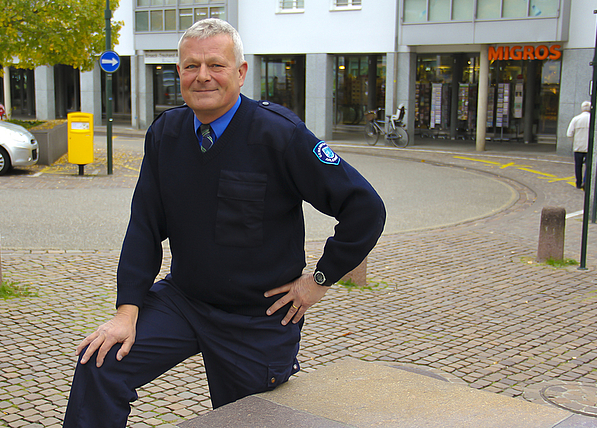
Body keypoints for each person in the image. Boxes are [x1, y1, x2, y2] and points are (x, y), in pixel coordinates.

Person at [62, 18, 385, 428]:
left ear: (240, 72)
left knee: (246, 420)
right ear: (178, 72)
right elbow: (144, 225)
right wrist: (126, 312)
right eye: (191, 66)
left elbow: (366, 208)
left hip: (257, 317)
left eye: (215, 65)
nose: (202, 77)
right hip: (185, 300)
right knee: (100, 362)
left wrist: (318, 280)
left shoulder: (278, 134)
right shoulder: (167, 133)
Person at [567, 100, 591, 190]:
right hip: (589, 147)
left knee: (578, 165)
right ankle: (585, 181)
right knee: (588, 166)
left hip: (578, 147)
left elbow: (569, 134)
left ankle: (578, 183)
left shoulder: (576, 119)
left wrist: (575, 141)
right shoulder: (592, 119)